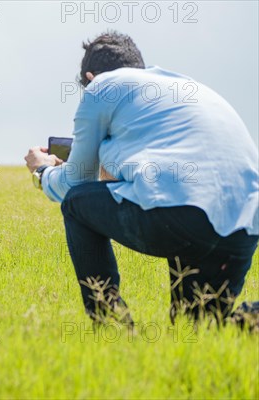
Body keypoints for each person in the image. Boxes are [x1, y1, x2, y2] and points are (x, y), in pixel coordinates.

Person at [25, 31, 258, 325]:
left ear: (90, 77)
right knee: (198, 326)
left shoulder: (103, 86)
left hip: (182, 214)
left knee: (75, 203)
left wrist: (43, 171)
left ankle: (112, 326)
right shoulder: (187, 87)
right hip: (245, 227)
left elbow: (76, 184)